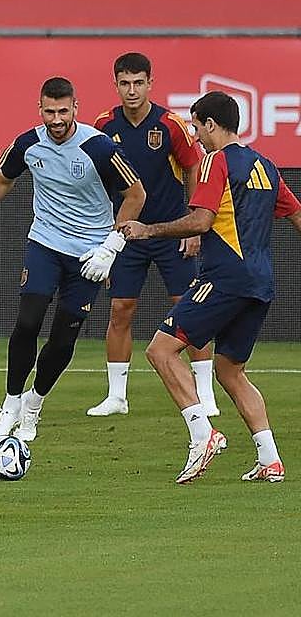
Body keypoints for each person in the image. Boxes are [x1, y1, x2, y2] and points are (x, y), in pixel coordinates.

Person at [0, 77, 147, 444]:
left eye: (63, 111)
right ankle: (10, 406)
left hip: (90, 254)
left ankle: (33, 406)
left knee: (63, 337)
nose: (56, 119)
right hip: (45, 243)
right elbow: (2, 180)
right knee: (27, 321)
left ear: (75, 108)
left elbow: (136, 194)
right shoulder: (28, 143)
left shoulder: (97, 147)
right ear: (40, 109)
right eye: (49, 111)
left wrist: (111, 246)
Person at [119, 91, 301, 484]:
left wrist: (147, 230)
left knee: (161, 350)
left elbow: (201, 221)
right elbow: (295, 212)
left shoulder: (213, 162)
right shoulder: (266, 166)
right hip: (260, 284)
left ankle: (203, 434)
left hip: (224, 279)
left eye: (198, 126)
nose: (196, 135)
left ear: (212, 125)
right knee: (229, 369)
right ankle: (270, 460)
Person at [89, 52, 216, 417]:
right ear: (115, 84)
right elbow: (99, 178)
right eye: (125, 83)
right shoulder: (103, 124)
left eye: (138, 83)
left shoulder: (171, 124)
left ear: (150, 83)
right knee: (119, 311)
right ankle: (117, 396)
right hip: (127, 234)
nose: (132, 90)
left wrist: (193, 224)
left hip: (171, 231)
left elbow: (194, 168)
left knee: (189, 310)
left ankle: (205, 393)